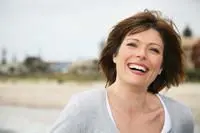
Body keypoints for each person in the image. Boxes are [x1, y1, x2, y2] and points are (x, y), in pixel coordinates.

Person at [50, 10, 194, 133]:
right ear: (114, 55)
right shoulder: (83, 108)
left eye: (154, 50)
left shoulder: (180, 118)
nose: (141, 54)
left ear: (162, 66)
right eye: (132, 44)